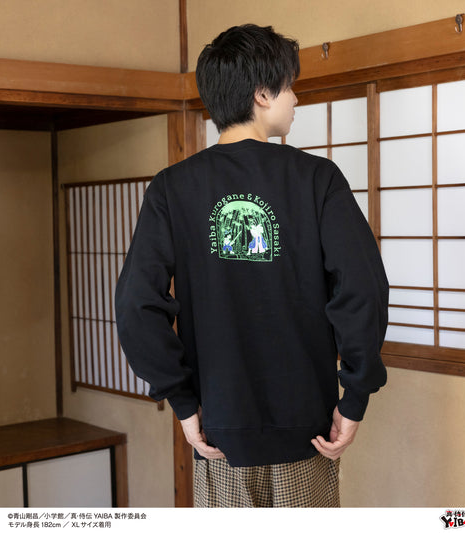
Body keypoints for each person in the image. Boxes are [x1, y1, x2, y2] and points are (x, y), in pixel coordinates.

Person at [115, 23, 388, 508]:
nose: (296, 98)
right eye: (289, 86)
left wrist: (183, 404)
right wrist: (354, 398)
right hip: (308, 431)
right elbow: (363, 288)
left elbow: (137, 305)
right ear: (262, 94)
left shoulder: (173, 187)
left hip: (219, 432)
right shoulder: (317, 179)